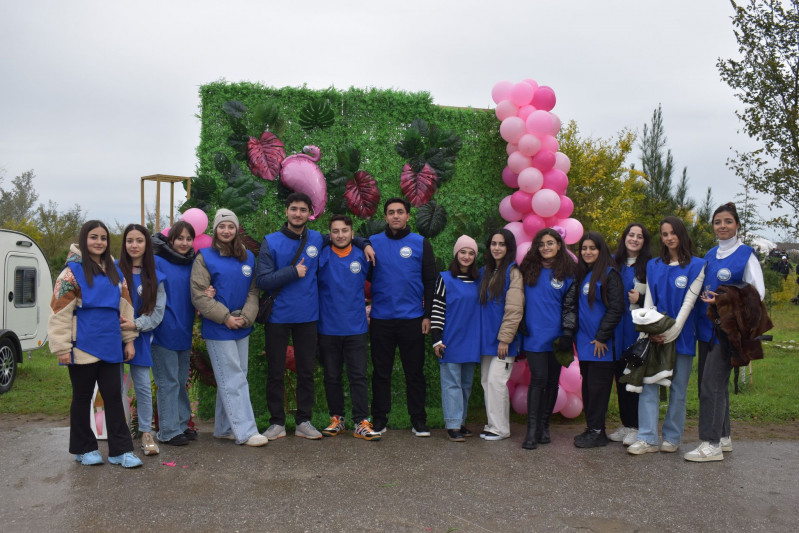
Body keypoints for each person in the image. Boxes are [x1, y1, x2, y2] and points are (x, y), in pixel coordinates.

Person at [47, 220, 142, 468]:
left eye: (103, 237)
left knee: (113, 396)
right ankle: (84, 448)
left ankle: (121, 451)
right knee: (82, 397)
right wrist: (62, 348)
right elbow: (59, 312)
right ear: (83, 240)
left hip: (110, 345)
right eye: (93, 237)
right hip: (81, 346)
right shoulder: (70, 273)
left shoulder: (115, 272)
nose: (99, 242)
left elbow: (126, 308)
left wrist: (129, 341)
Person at [685, 202, 765, 462]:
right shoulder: (709, 254)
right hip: (706, 330)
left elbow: (757, 295)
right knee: (711, 384)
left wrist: (723, 302)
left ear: (737, 225)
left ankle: (711, 444)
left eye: (728, 221)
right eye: (718, 222)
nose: (722, 226)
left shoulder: (746, 256)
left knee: (711, 385)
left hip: (728, 333)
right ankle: (724, 436)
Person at [628, 217, 705, 455]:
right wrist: (649, 331)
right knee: (648, 386)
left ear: (682, 234)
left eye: (673, 233)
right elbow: (649, 301)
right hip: (654, 336)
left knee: (678, 389)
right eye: (664, 234)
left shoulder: (697, 265)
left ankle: (672, 437)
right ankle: (647, 438)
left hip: (680, 337)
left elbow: (688, 305)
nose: (669, 238)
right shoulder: (653, 265)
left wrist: (671, 333)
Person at [191, 209, 267, 447]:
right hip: (218, 328)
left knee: (235, 376)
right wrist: (225, 318)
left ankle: (224, 428)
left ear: (236, 230)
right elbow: (199, 296)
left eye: (230, 226)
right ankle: (246, 431)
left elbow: (254, 291)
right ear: (215, 230)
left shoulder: (248, 258)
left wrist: (247, 316)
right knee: (233, 378)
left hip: (242, 326)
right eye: (222, 226)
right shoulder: (204, 257)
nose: (226, 230)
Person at [256, 192, 324, 440]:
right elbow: (262, 280)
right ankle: (277, 423)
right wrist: (292, 272)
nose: (298, 214)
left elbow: (344, 239)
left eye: (303, 210)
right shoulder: (271, 241)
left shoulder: (316, 238)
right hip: (278, 317)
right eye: (293, 209)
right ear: (286, 212)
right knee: (275, 371)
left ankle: (304, 421)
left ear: (310, 214)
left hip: (308, 315)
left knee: (306, 370)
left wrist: (364, 243)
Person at [368, 197, 437, 437]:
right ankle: (379, 419)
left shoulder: (420, 243)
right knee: (380, 372)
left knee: (414, 373)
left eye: (400, 212)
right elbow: (362, 280)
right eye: (390, 212)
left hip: (413, 319)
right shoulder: (373, 243)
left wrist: (427, 315)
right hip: (381, 320)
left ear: (408, 215)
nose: (395, 216)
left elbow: (430, 282)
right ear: (385, 217)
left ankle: (418, 420)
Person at [317, 215, 382, 441]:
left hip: (355, 327)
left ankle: (361, 422)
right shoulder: (321, 254)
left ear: (352, 233)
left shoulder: (364, 255)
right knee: (332, 376)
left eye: (345, 230)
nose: (340, 235)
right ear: (330, 234)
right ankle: (337, 419)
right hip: (327, 327)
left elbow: (380, 284)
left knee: (358, 376)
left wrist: (372, 306)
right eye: (335, 231)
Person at [564, 231, 624, 448]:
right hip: (585, 344)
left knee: (598, 391)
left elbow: (616, 309)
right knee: (588, 390)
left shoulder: (610, 274)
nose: (587, 252)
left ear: (601, 250)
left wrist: (601, 337)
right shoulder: (584, 275)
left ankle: (598, 433)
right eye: (584, 248)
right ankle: (592, 429)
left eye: (592, 248)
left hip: (601, 346)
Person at [518, 228, 575, 449]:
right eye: (541, 244)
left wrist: (568, 333)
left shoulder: (567, 273)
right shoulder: (528, 270)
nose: (546, 247)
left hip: (558, 338)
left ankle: (544, 426)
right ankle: (531, 431)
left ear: (559, 245)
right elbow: (517, 298)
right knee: (539, 379)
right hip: (533, 336)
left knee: (552, 382)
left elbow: (570, 307)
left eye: (550, 243)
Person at [117, 224, 166, 457]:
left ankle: (146, 432)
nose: (134, 245)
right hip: (113, 338)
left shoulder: (155, 277)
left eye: (139, 241)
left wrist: (135, 325)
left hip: (141, 338)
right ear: (124, 244)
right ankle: (121, 433)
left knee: (143, 388)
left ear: (146, 245)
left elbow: (156, 314)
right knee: (116, 389)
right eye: (129, 241)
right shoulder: (112, 272)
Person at [431, 235, 481, 442]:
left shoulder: (480, 280)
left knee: (466, 383)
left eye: (471, 253)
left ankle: (460, 421)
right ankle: (452, 424)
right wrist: (436, 339)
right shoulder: (444, 278)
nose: (466, 256)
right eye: (463, 252)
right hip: (450, 339)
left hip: (473, 339)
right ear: (456, 254)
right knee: (452, 383)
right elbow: (437, 310)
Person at [151, 220, 197, 446]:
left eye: (189, 239)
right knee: (168, 381)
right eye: (180, 238)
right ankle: (168, 430)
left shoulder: (192, 262)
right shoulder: (157, 261)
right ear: (171, 239)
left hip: (184, 330)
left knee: (179, 380)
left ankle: (181, 423)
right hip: (163, 330)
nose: (184, 243)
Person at [478, 229, 524, 441]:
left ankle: (501, 429)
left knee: (497, 381)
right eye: (493, 244)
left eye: (502, 244)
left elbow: (514, 308)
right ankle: (492, 424)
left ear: (509, 248)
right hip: (487, 339)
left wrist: (505, 338)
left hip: (503, 342)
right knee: (487, 382)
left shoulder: (513, 272)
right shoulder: (486, 272)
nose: (497, 248)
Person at [608, 223, 651, 446]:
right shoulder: (612, 262)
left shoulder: (650, 266)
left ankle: (637, 426)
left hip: (637, 332)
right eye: (631, 235)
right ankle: (626, 424)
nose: (634, 239)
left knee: (635, 380)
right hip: (615, 330)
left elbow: (657, 299)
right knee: (620, 378)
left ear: (645, 242)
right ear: (624, 237)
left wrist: (641, 300)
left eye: (639, 236)